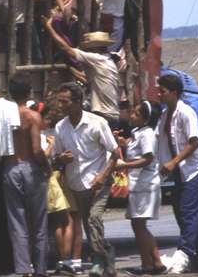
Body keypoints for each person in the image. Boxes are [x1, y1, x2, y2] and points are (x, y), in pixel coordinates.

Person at [0, 55, 51, 277]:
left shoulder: (3, 110)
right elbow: (37, 150)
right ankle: (40, 269)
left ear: (10, 92)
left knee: (17, 223)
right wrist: (47, 167)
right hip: (31, 169)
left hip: (10, 169)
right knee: (39, 223)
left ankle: (23, 269)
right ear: (29, 92)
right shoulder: (33, 116)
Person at [53, 82, 119, 277]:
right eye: (59, 101)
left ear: (78, 102)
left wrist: (103, 176)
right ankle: (106, 256)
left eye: (64, 102)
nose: (60, 106)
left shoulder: (97, 123)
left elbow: (115, 153)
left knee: (93, 219)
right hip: (76, 185)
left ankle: (99, 261)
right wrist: (60, 159)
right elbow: (55, 158)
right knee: (90, 227)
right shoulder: (60, 127)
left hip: (99, 183)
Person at [156, 74, 198, 273]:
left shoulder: (186, 112)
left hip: (192, 171)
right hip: (177, 173)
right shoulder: (164, 116)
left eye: (162, 91)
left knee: (188, 213)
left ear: (174, 92)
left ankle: (183, 254)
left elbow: (194, 142)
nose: (159, 94)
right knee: (183, 213)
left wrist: (173, 161)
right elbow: (157, 140)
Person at [114, 100, 166, 275]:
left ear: (145, 118)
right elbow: (132, 145)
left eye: (136, 113)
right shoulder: (137, 132)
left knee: (139, 225)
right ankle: (153, 263)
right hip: (138, 185)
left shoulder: (148, 134)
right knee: (138, 225)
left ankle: (151, 264)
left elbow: (147, 159)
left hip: (145, 184)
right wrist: (122, 143)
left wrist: (125, 166)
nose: (132, 115)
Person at [43, 18, 121, 129]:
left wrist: (49, 27)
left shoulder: (97, 59)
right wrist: (70, 69)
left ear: (94, 48)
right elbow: (85, 78)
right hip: (110, 113)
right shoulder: (107, 61)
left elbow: (67, 49)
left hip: (104, 114)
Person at [40, 103, 83, 276]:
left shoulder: (54, 131)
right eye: (47, 117)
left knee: (62, 221)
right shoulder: (49, 134)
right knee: (68, 220)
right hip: (56, 179)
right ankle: (67, 260)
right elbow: (47, 157)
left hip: (58, 178)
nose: (49, 119)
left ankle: (66, 260)